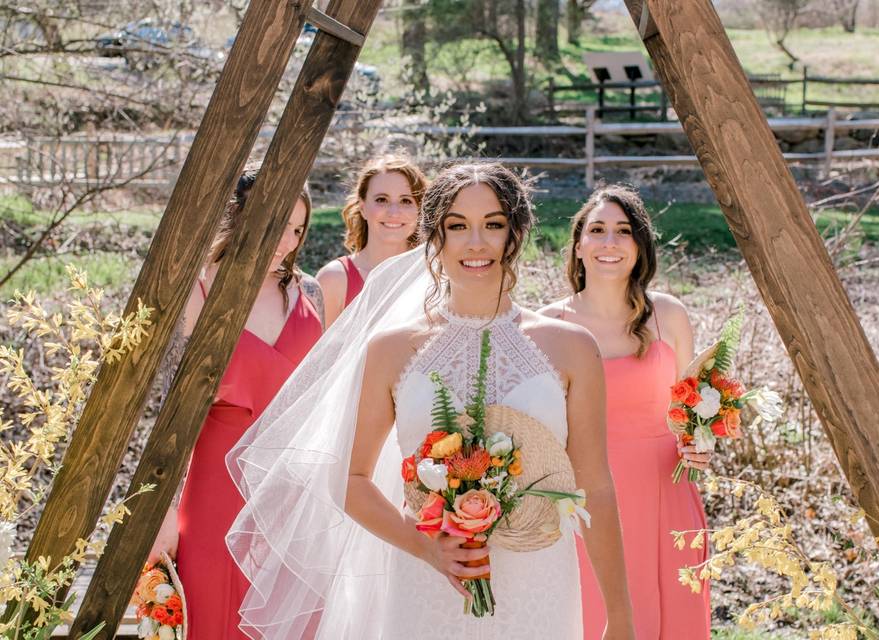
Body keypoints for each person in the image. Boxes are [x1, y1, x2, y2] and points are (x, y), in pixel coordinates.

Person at [226, 164, 635, 639]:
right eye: (457, 226)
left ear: (516, 233)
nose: (475, 243)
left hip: (539, 583)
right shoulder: (392, 349)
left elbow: (597, 489)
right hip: (424, 587)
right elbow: (350, 479)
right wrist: (427, 549)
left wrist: (621, 618)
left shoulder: (571, 347)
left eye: (493, 225)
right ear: (434, 236)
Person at [149, 167, 324, 640]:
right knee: (212, 607)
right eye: (278, 223)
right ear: (242, 215)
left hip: (290, 481)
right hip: (215, 479)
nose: (287, 242)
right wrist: (163, 512)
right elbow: (170, 410)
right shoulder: (199, 288)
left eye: (297, 229)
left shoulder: (309, 292)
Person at [540, 185, 711, 640]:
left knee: (673, 615)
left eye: (623, 231)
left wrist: (698, 444)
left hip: (665, 492)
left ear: (639, 247)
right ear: (578, 247)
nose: (609, 243)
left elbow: (689, 410)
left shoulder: (668, 316)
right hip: (583, 499)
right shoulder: (547, 327)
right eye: (597, 230)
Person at [315, 155, 428, 328]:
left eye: (406, 200)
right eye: (381, 200)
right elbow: (317, 355)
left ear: (419, 210)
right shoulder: (334, 280)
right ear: (362, 208)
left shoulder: (434, 277)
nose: (394, 212)